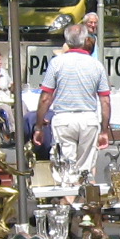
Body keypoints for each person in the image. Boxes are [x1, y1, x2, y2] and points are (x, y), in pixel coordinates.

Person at [37, 25, 110, 188]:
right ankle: (83, 199)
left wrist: (38, 126)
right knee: (85, 171)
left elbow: (45, 98)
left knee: (65, 171)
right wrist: (104, 130)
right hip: (88, 118)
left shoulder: (56, 63)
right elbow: (105, 101)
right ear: (84, 40)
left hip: (64, 118)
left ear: (67, 41)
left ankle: (68, 199)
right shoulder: (97, 65)